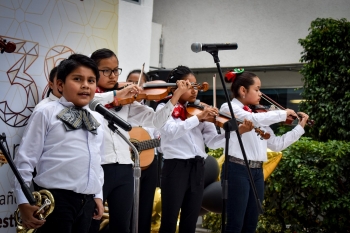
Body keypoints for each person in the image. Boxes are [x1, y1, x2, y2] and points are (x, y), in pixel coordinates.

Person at [88, 48, 190, 233]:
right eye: (107, 71)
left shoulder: (127, 101)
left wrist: (174, 97)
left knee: (123, 225)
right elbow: (90, 100)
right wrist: (117, 95)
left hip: (125, 167)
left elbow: (156, 121)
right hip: (98, 167)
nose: (113, 76)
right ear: (93, 72)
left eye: (116, 70)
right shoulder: (89, 97)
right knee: (91, 223)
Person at [13, 54, 105, 233]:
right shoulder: (46, 112)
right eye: (77, 79)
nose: (85, 85)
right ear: (60, 85)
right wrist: (23, 201)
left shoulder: (98, 118)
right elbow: (25, 159)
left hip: (87, 202)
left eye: (91, 80)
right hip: (56, 201)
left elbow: (97, 161)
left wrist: (98, 196)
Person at [156, 66, 253, 233]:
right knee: (170, 220)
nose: (195, 90)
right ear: (178, 86)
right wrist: (198, 118)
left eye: (196, 86)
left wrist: (238, 132)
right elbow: (170, 132)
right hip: (175, 167)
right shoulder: (164, 108)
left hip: (198, 166)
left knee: (191, 219)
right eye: (190, 85)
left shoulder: (199, 109)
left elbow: (213, 142)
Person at [220, 70, 309, 233]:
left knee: (251, 224)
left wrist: (299, 128)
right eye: (257, 89)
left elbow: (276, 144)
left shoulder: (258, 113)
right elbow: (251, 119)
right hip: (236, 170)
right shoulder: (230, 108)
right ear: (243, 90)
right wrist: (282, 114)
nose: (260, 94)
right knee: (234, 224)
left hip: (257, 172)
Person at [126, 69, 159, 233]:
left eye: (138, 83)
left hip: (150, 163)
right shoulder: (121, 108)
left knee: (145, 208)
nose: (134, 86)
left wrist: (153, 143)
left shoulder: (151, 111)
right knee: (126, 209)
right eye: (130, 82)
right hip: (127, 165)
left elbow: (158, 139)